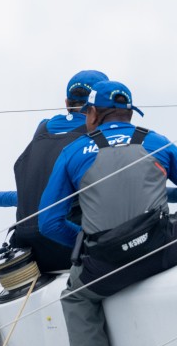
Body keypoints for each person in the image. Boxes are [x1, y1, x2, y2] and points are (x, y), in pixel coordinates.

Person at [38, 80, 177, 346]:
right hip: (160, 249)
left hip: (105, 265)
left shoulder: (72, 152)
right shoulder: (156, 141)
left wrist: (82, 242)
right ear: (129, 114)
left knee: (75, 296)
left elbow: (48, 222)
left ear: (92, 114)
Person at [12, 70, 108, 272]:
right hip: (68, 249)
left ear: (67, 103)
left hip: (25, 247)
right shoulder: (98, 137)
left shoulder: (42, 128)